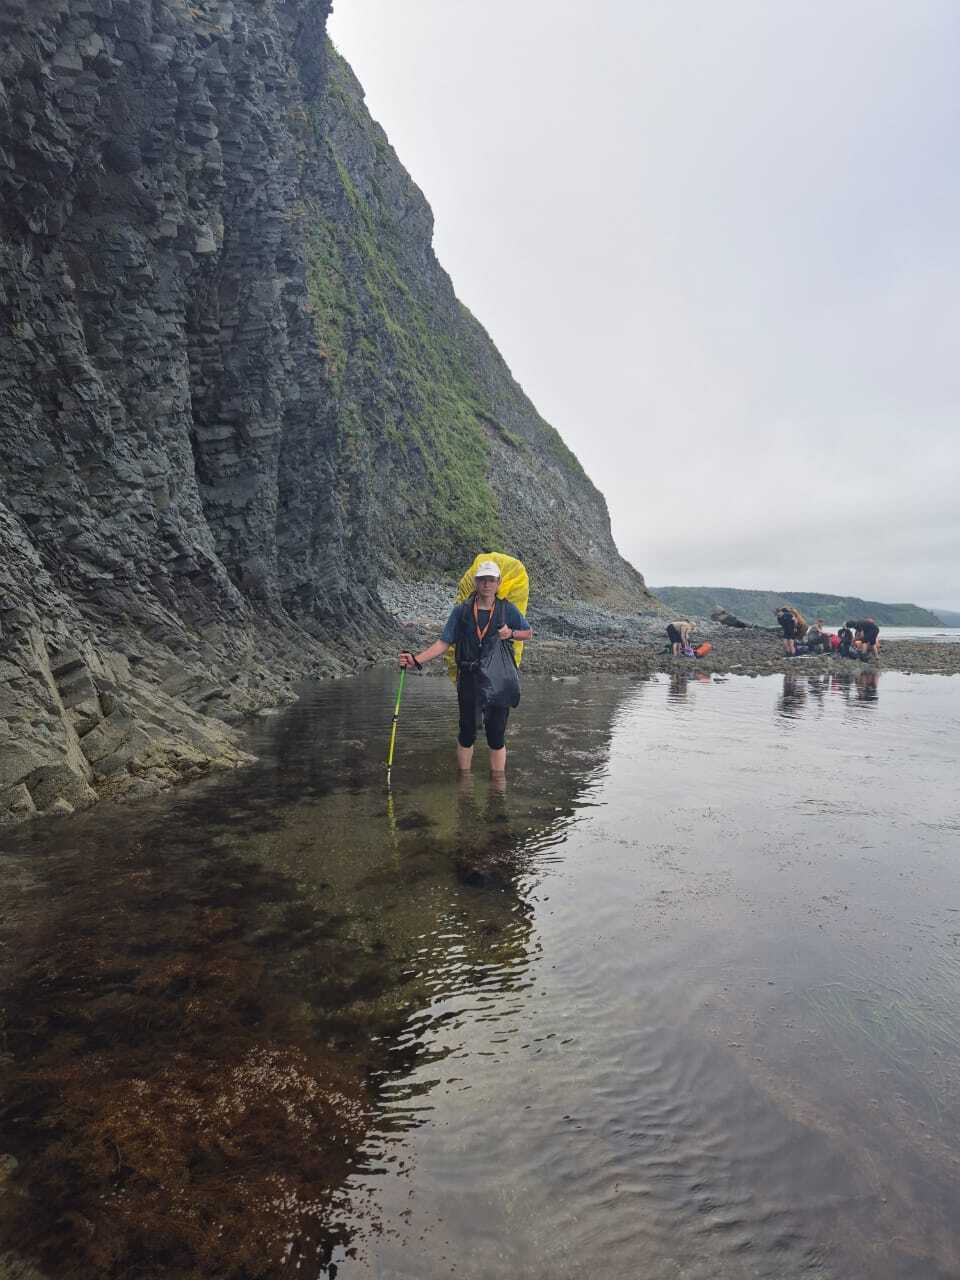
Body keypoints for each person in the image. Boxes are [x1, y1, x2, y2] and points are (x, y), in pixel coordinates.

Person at [398, 560, 532, 776]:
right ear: (476, 583)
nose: (486, 584)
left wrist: (512, 634)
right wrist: (416, 660)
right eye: (482, 580)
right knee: (467, 732)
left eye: (491, 580)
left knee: (496, 736)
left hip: (499, 680)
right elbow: (443, 642)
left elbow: (528, 632)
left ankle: (498, 786)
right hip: (469, 678)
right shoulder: (461, 612)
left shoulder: (508, 610)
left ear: (498, 583)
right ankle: (464, 783)